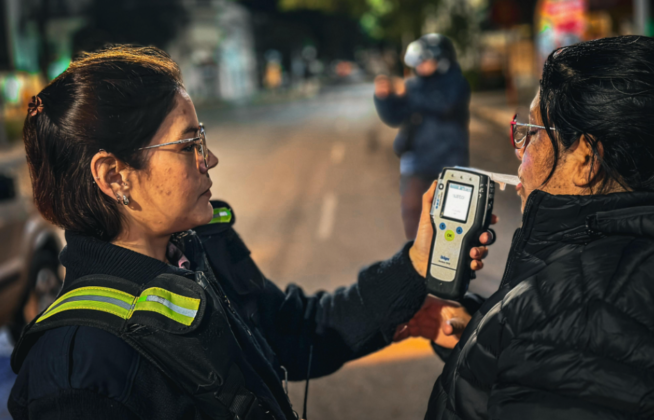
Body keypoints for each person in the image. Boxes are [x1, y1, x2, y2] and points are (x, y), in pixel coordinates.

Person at [7, 46, 491, 420]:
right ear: (114, 176)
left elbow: (296, 333)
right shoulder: (74, 370)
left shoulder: (196, 247)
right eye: (189, 144)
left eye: (203, 138)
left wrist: (415, 268)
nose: (210, 158)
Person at [421, 35, 654, 419]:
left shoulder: (566, 325)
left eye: (532, 131)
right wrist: (484, 338)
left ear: (585, 160)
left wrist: (517, 332)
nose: (520, 150)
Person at [374, 33, 471, 240]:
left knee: (453, 222)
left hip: (451, 163)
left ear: (442, 59)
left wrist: (408, 92)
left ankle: (450, 258)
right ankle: (417, 256)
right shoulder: (415, 85)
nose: (420, 65)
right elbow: (396, 116)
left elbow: (444, 105)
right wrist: (384, 98)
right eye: (418, 61)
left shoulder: (456, 83)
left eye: (426, 60)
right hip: (417, 162)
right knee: (412, 212)